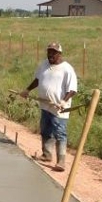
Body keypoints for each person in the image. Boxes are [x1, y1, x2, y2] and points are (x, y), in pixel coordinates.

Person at [20, 42, 78, 172]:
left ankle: (61, 161)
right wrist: (27, 90)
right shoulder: (43, 65)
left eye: (53, 52)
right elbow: (37, 80)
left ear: (59, 54)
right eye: (49, 52)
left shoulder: (67, 69)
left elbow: (73, 89)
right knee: (45, 129)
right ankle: (46, 155)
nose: (50, 55)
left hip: (59, 108)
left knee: (60, 132)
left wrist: (63, 101)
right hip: (45, 105)